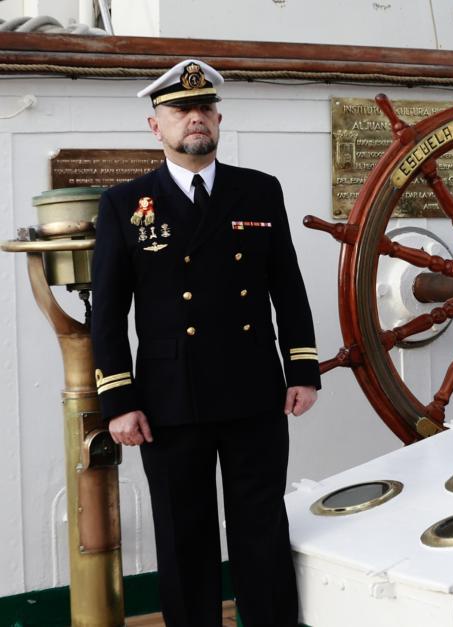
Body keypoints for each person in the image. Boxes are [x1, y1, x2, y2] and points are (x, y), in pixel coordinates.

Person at [91, 59, 320, 626]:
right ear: (156, 126)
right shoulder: (126, 204)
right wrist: (118, 400)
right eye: (180, 110)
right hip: (170, 398)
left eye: (203, 108)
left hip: (254, 390)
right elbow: (109, 311)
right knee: (183, 535)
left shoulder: (259, 191)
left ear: (218, 118)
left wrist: (302, 368)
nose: (194, 118)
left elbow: (286, 285)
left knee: (261, 528)